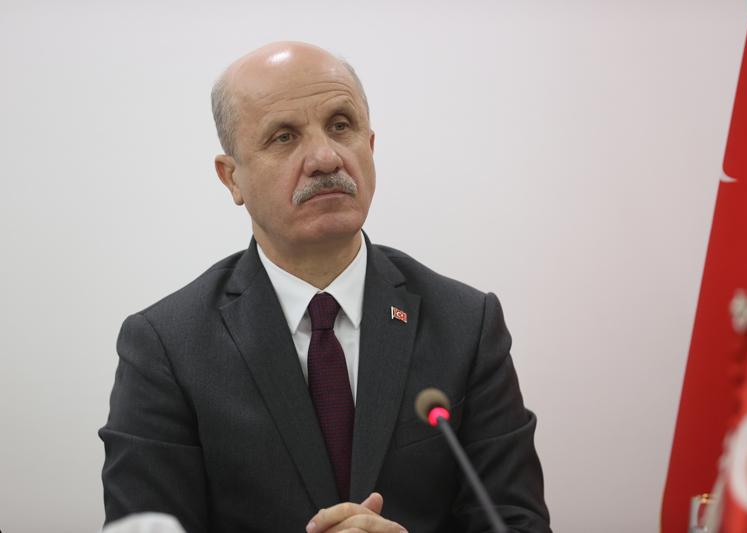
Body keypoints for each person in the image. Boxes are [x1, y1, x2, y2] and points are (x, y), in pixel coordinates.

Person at [100, 41, 551, 533]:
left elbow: (516, 522)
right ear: (232, 179)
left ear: (370, 147)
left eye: (340, 126)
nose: (324, 157)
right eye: (284, 137)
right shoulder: (166, 347)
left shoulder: (466, 324)